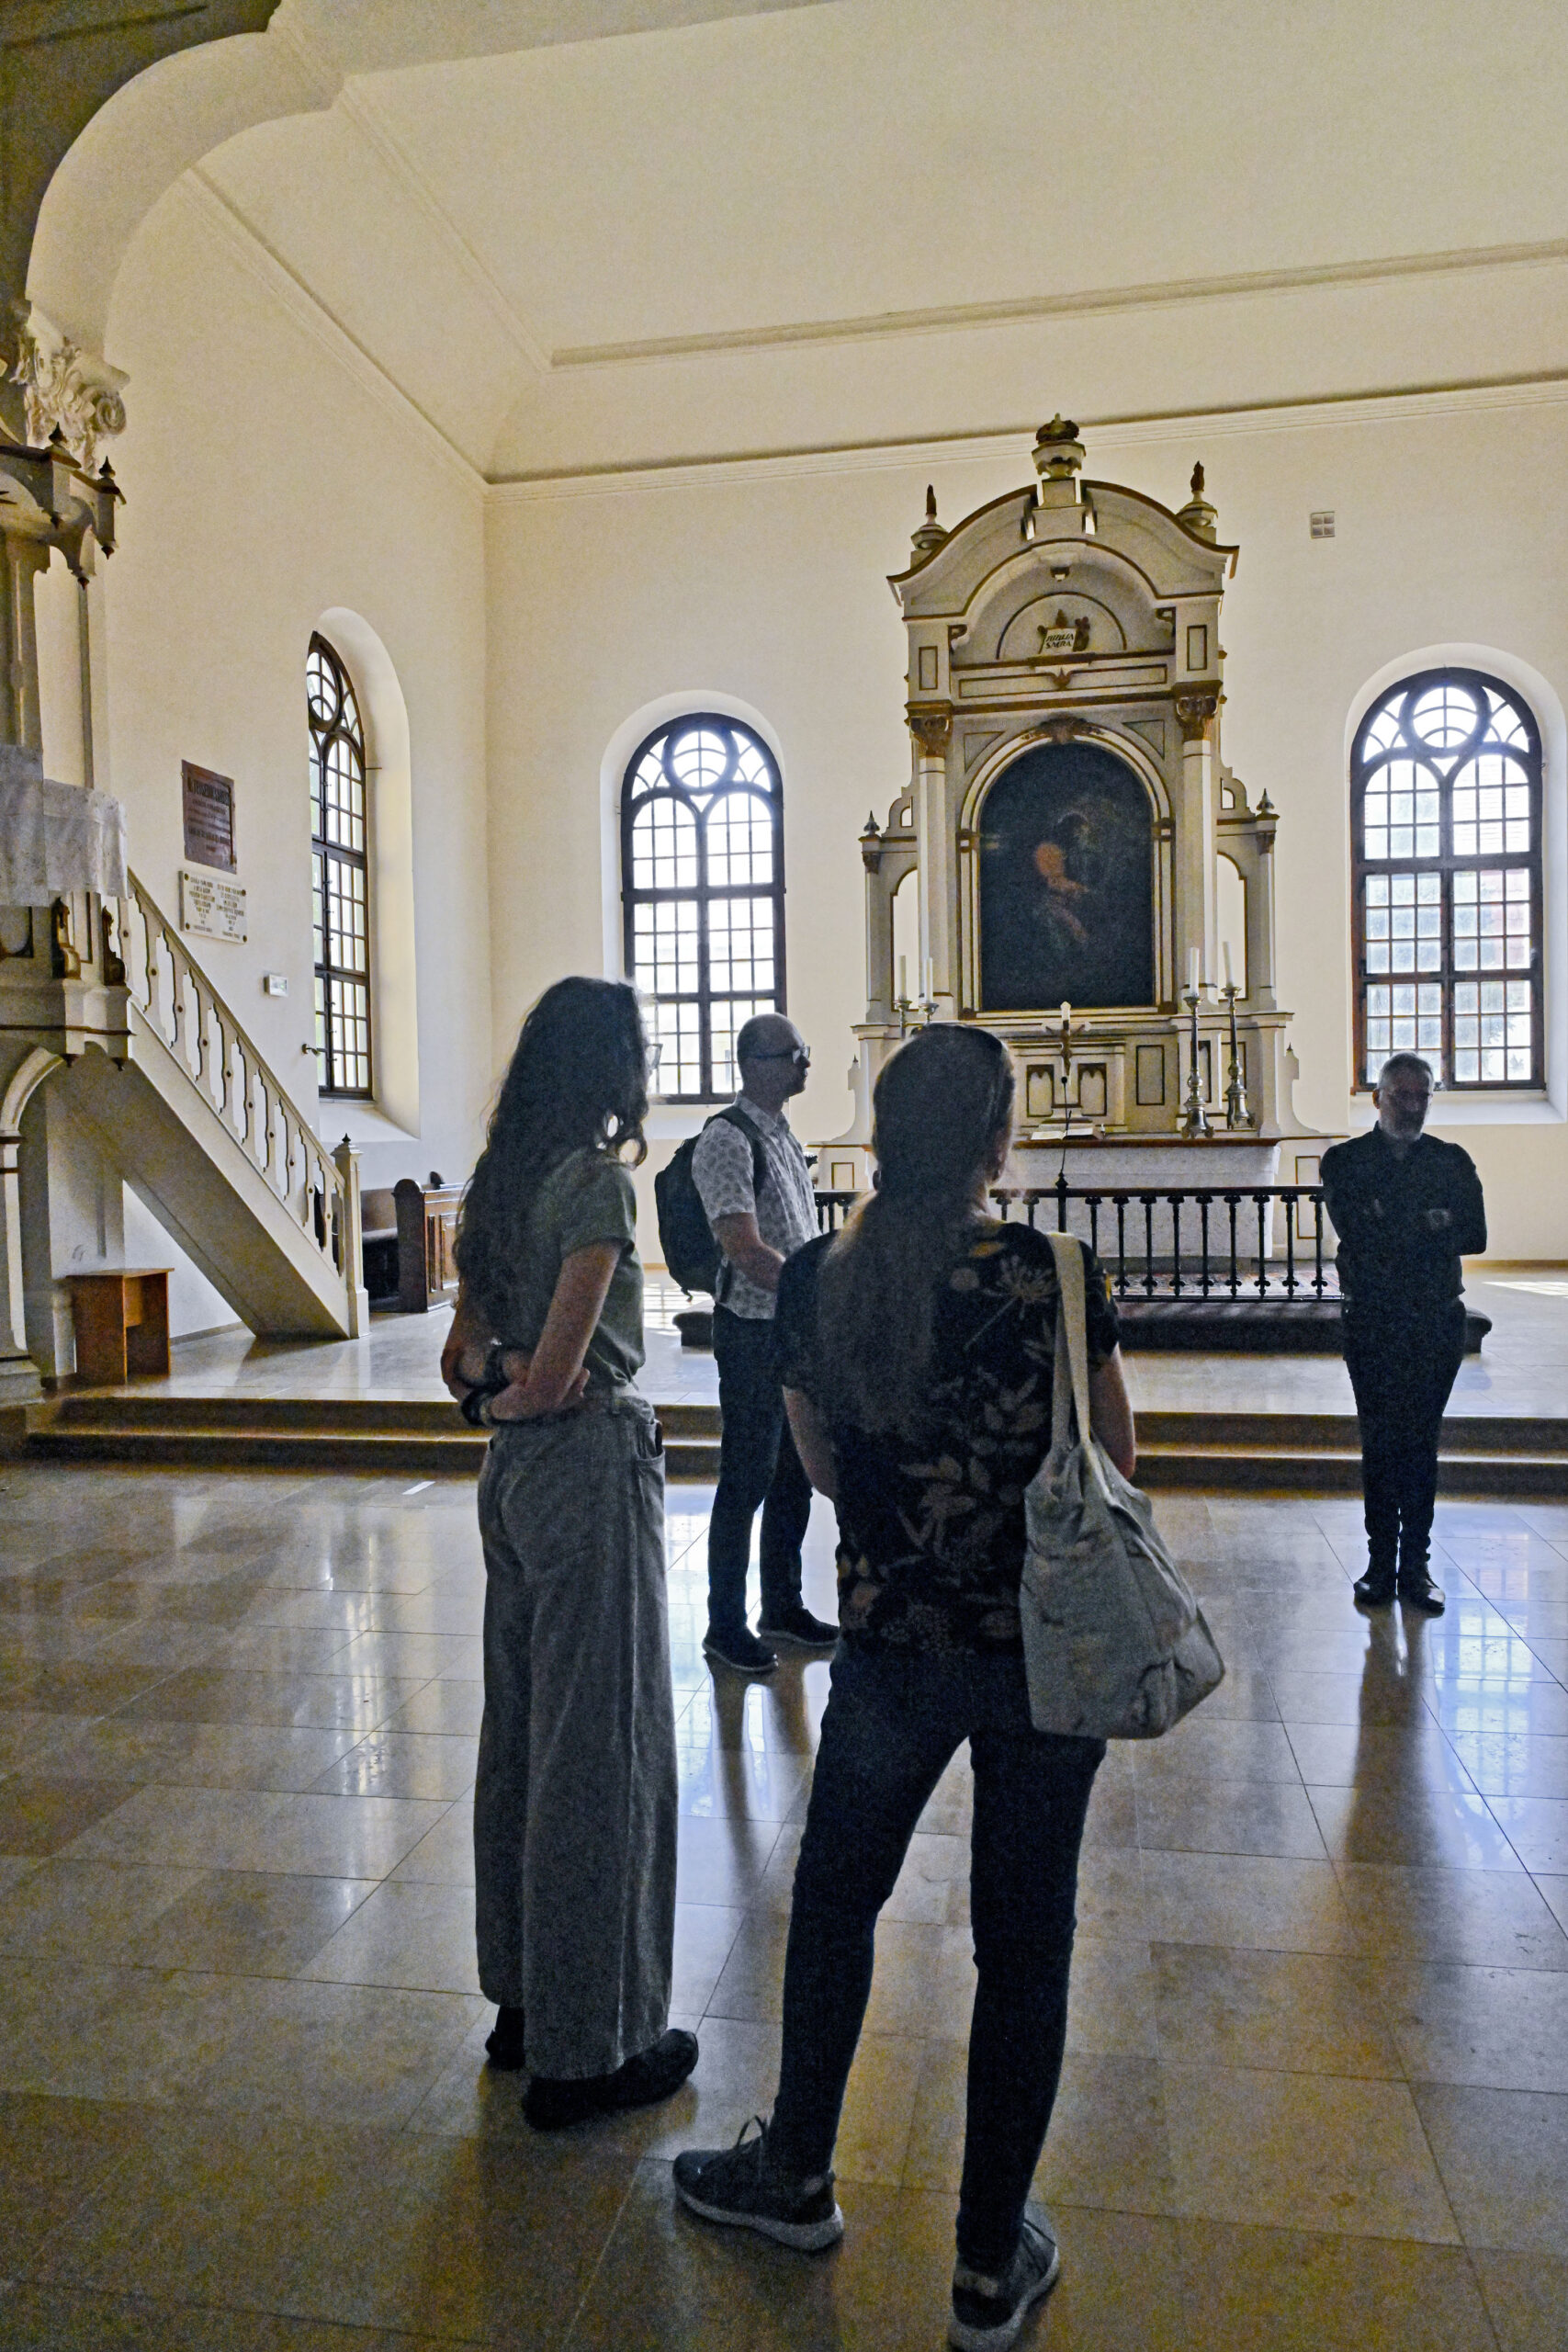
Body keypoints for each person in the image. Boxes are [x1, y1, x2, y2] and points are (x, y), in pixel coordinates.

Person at [673, 1023, 1136, 2352]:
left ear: (883, 1133)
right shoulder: (1053, 1273)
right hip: (1041, 1654)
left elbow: (818, 1465)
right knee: (1023, 1947)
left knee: (834, 1907)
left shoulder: (825, 1273)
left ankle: (796, 2174)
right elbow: (1113, 1455)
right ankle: (987, 2262)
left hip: (890, 1645)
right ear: (995, 1142)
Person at [441, 976, 696, 2128]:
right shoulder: (595, 1184)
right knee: (598, 1749)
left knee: (522, 1737)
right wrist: (521, 1391)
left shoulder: (498, 1185)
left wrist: (493, 1397)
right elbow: (557, 1375)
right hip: (588, 1469)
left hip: (509, 1484)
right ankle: (587, 2054)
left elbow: (463, 1362)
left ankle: (523, 2006)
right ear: (610, 1068)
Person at [692, 1011, 839, 1673]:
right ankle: (724, 1625)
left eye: (803, 1052)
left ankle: (782, 1606)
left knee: (793, 1476)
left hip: (788, 1325)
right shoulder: (726, 1139)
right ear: (754, 1064)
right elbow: (746, 1250)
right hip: (752, 1328)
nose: (804, 1063)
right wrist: (813, 1294)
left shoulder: (780, 1133)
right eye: (792, 1054)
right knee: (746, 1476)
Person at [1321, 1051, 1487, 1614]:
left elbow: (1475, 1235)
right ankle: (1378, 1564)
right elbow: (1357, 1232)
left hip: (1435, 1319)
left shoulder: (1450, 1159)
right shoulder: (1345, 1161)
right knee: (1379, 1440)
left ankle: (1415, 1565)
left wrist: (1394, 1221)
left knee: (1420, 1441)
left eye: (1422, 1096)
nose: (1413, 1106)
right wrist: (1430, 1222)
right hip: (1373, 1318)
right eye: (1401, 1095)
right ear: (1377, 1098)